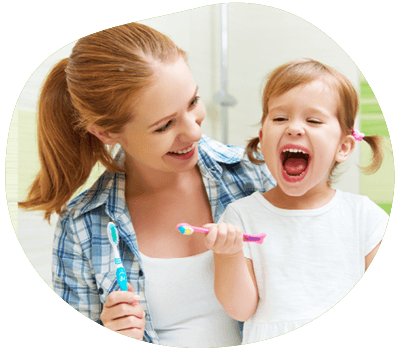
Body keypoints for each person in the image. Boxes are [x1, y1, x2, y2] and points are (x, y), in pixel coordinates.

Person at [18, 23, 276, 346]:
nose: (194, 132)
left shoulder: (254, 176)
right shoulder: (83, 226)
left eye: (193, 102)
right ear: (106, 133)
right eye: (164, 125)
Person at [203, 59, 389, 343]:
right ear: (263, 138)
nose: (294, 128)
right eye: (280, 118)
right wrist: (228, 254)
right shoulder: (242, 216)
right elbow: (240, 310)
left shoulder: (364, 217)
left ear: (343, 147)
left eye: (313, 120)